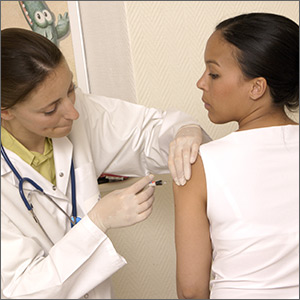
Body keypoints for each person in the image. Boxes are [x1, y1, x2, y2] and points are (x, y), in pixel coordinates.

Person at [1, 28, 211, 299]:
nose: (72, 112)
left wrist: (184, 131)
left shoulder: (79, 115)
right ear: (5, 111)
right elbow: (23, 290)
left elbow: (147, 132)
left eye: (70, 90)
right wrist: (98, 221)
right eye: (50, 109)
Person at [173, 12, 299, 299]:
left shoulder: (196, 165)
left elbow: (192, 290)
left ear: (257, 87)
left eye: (213, 73)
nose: (201, 82)